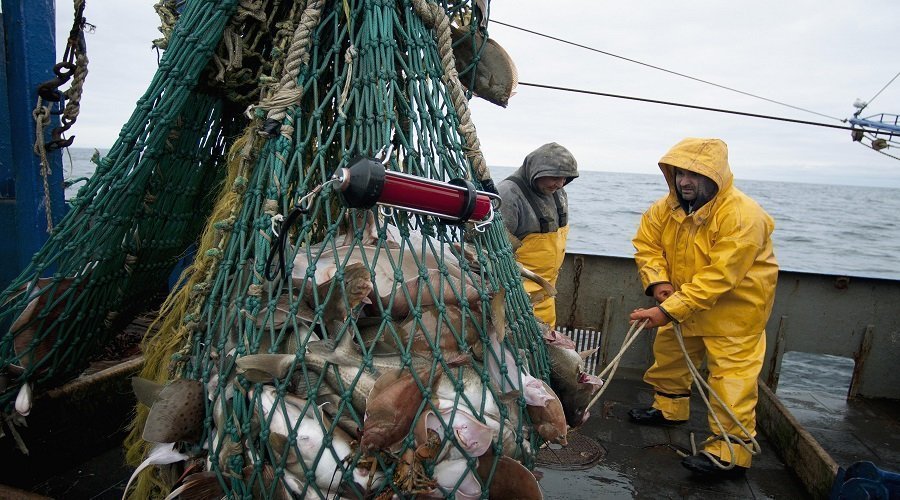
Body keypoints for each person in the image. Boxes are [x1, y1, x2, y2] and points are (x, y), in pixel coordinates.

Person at [627, 138, 778, 477]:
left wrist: (667, 310)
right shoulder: (663, 210)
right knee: (670, 356)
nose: (685, 181)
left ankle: (730, 451)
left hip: (734, 315)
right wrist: (658, 283)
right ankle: (669, 407)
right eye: (680, 173)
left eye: (695, 174)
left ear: (717, 176)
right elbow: (647, 246)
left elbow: (720, 276)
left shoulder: (744, 216)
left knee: (731, 380)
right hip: (683, 304)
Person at [498, 142, 579, 327]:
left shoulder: (558, 192)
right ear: (537, 171)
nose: (560, 184)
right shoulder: (508, 195)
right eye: (555, 177)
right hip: (516, 300)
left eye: (565, 178)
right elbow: (492, 253)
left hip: (547, 297)